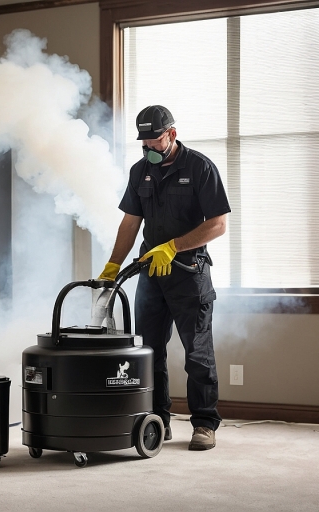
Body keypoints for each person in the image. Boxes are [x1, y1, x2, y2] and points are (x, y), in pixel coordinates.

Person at [98, 105, 230, 451]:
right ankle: (157, 420)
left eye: (154, 140)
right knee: (147, 352)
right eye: (143, 142)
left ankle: (204, 424)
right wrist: (113, 267)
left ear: (171, 134)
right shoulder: (139, 171)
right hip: (151, 275)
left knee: (197, 354)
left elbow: (218, 223)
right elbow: (130, 223)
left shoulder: (200, 167)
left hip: (189, 274)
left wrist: (174, 246)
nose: (148, 148)